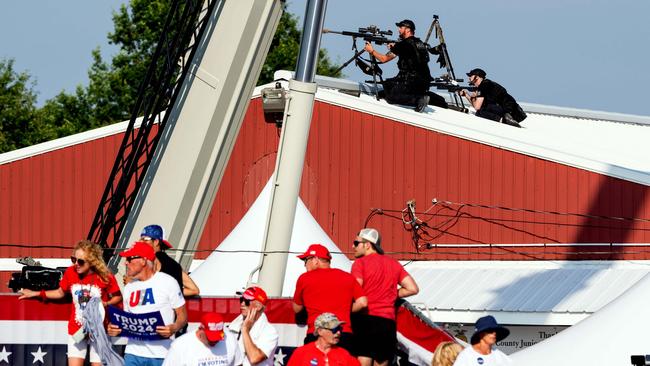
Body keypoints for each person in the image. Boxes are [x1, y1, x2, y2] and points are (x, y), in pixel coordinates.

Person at [19, 240, 122, 366]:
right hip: (77, 329)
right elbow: (60, 292)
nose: (76, 264)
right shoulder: (70, 272)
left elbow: (117, 297)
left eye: (81, 261)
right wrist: (36, 293)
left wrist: (105, 303)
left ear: (92, 262)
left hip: (99, 330)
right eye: (74, 259)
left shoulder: (105, 276)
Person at [107, 241, 188, 366]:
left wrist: (174, 328)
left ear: (143, 261)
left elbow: (183, 316)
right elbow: (127, 321)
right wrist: (115, 328)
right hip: (133, 353)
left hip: (162, 355)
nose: (125, 263)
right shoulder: (129, 287)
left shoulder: (168, 282)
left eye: (129, 259)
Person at [351, 228, 419, 366]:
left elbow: (355, 290)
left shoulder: (360, 263)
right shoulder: (393, 263)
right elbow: (413, 288)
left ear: (367, 244)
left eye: (356, 243)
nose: (353, 246)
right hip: (387, 323)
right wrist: (392, 294)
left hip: (366, 319)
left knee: (363, 360)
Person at [292, 243, 367, 354]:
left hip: (317, 334)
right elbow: (363, 302)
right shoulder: (347, 277)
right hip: (343, 333)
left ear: (315, 260)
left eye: (306, 260)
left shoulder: (304, 278)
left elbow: (296, 308)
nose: (305, 265)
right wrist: (344, 309)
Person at [364, 19, 448, 112]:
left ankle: (418, 100)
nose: (399, 30)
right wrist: (395, 48)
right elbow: (412, 54)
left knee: (391, 96)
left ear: (408, 30)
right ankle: (438, 101)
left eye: (401, 27)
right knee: (383, 93)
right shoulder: (420, 43)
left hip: (409, 82)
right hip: (423, 83)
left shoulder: (403, 44)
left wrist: (371, 51)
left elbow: (384, 59)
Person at [139, 224, 200, 297]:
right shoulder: (173, 264)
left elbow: (147, 288)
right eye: (140, 239)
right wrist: (171, 292)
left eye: (145, 239)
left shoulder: (151, 260)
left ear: (156, 242)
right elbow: (194, 290)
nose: (140, 242)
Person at [163, 312, 243, 366]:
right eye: (211, 338)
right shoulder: (180, 346)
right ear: (201, 329)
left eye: (218, 338)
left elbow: (238, 364)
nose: (215, 341)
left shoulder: (230, 339)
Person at [227, 286, 279, 366]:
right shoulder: (232, 326)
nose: (242, 304)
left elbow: (254, 358)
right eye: (241, 300)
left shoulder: (270, 331)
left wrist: (245, 330)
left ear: (258, 307)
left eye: (247, 301)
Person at [459, 68, 527, 127]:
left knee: (480, 112)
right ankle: (506, 118)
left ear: (477, 77)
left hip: (507, 110)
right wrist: (466, 95)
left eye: (471, 76)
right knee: (482, 109)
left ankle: (504, 120)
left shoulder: (483, 86)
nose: (469, 78)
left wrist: (472, 97)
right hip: (514, 112)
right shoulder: (488, 84)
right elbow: (477, 105)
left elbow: (477, 107)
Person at [287, 312, 361, 366]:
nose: (338, 333)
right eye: (334, 329)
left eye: (340, 329)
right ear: (320, 331)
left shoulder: (344, 355)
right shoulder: (301, 353)